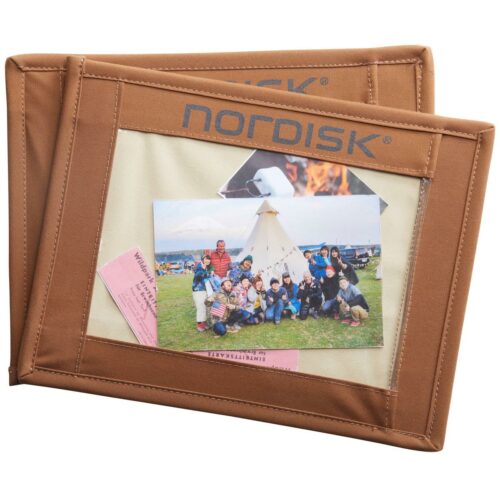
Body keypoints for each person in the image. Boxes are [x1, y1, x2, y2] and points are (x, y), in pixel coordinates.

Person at [191, 255, 213, 332]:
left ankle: (204, 323)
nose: (208, 260)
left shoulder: (205, 268)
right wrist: (203, 270)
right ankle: (199, 325)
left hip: (205, 290)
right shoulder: (199, 267)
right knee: (201, 307)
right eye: (206, 259)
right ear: (202, 260)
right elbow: (197, 276)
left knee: (205, 306)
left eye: (209, 259)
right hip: (198, 290)